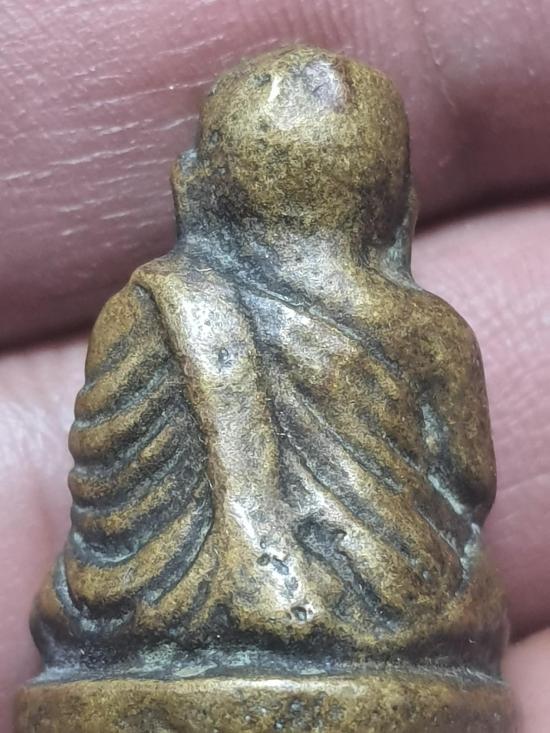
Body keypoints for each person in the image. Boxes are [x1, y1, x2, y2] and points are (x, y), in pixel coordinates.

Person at [0, 3, 549, 732]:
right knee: (460, 589)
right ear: (399, 205)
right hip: (391, 624)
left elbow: (102, 498)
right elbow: (469, 484)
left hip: (145, 616)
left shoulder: (142, 309)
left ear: (194, 187)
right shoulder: (428, 330)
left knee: (81, 595)